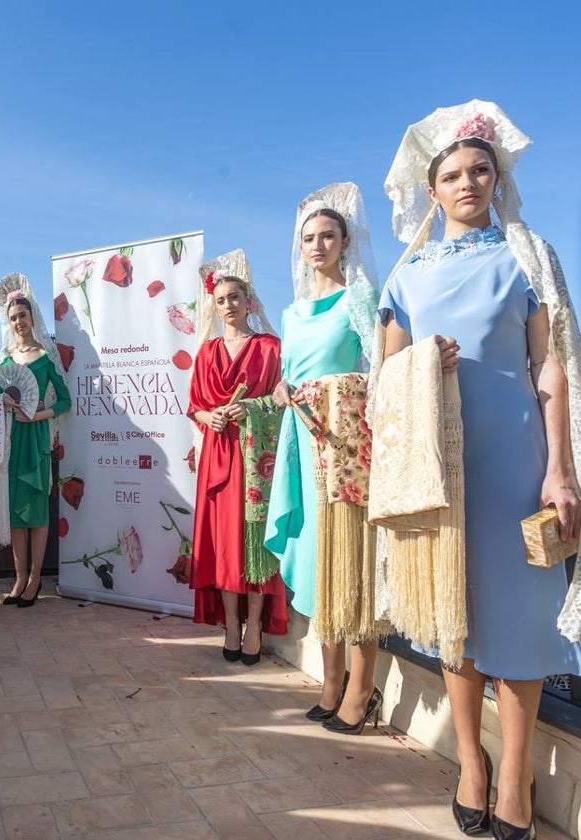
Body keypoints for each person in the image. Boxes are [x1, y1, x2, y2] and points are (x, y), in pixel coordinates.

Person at [377, 101, 581, 839]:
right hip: (440, 468)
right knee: (453, 619)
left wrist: (560, 471)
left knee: (524, 623)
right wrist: (420, 370)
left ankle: (518, 775)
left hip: (516, 462)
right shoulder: (404, 278)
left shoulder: (527, 259)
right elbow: (387, 375)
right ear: (430, 190)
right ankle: (472, 763)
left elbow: (550, 367)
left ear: (497, 178)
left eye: (480, 171)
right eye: (453, 174)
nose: (468, 183)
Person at [263, 183, 383, 730]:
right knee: (318, 566)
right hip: (302, 447)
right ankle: (330, 683)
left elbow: (382, 369)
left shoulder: (360, 297)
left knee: (351, 566)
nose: (316, 245)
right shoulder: (291, 312)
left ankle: (362, 690)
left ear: (344, 241)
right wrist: (284, 390)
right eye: (308, 237)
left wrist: (335, 388)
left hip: (347, 451)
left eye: (327, 236)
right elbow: (290, 375)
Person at [187, 250, 288, 664]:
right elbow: (194, 404)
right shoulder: (207, 352)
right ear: (214, 306)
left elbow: (284, 400)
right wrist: (208, 414)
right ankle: (231, 623)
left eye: (235, 297)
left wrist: (254, 408)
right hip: (218, 455)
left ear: (250, 301)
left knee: (255, 544)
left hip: (257, 457)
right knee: (225, 543)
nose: (228, 305)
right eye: (221, 300)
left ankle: (257, 625)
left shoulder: (270, 348)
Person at [0, 273, 71, 608]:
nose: (19, 321)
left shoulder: (46, 359)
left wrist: (39, 414)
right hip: (11, 438)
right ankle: (19, 577)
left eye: (23, 315)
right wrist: (0, 401)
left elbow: (65, 401)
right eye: (13, 317)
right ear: (8, 322)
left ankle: (36, 577)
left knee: (37, 510)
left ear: (33, 316)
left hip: (35, 438)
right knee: (17, 512)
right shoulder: (5, 360)